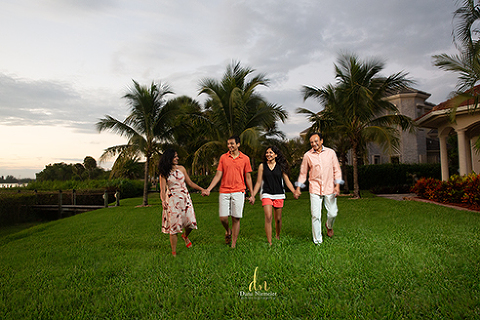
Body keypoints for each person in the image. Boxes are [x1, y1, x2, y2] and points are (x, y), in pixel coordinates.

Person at [202, 135, 254, 248]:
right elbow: (218, 175)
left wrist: (252, 194)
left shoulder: (245, 159)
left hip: (239, 190)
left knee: (236, 218)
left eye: (232, 144)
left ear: (238, 144)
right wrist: (209, 189)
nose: (230, 146)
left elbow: (248, 177)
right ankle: (228, 231)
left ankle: (233, 244)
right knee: (223, 218)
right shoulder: (223, 158)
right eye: (228, 144)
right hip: (224, 191)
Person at [296, 132, 343, 245]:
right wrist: (298, 188)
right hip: (315, 188)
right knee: (315, 215)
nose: (314, 144)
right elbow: (303, 173)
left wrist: (337, 186)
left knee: (333, 213)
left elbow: (336, 169)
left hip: (329, 187)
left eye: (316, 141)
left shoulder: (330, 153)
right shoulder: (307, 155)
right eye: (311, 142)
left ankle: (329, 225)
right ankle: (318, 241)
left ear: (322, 141)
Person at [159, 149, 206, 256]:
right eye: (175, 156)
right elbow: (162, 190)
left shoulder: (182, 169)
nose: (177, 158)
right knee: (174, 228)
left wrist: (202, 189)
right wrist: (163, 201)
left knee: (190, 223)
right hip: (172, 200)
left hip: (185, 198)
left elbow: (189, 182)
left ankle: (185, 236)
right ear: (169, 157)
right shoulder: (164, 173)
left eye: (177, 156)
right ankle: (174, 253)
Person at [250, 146, 299, 246]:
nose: (268, 154)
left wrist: (294, 191)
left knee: (278, 219)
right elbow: (259, 182)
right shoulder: (262, 166)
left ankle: (277, 234)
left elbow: (287, 181)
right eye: (267, 152)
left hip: (279, 194)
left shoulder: (280, 166)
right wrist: (253, 195)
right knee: (268, 217)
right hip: (266, 193)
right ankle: (270, 242)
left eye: (271, 152)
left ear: (276, 155)